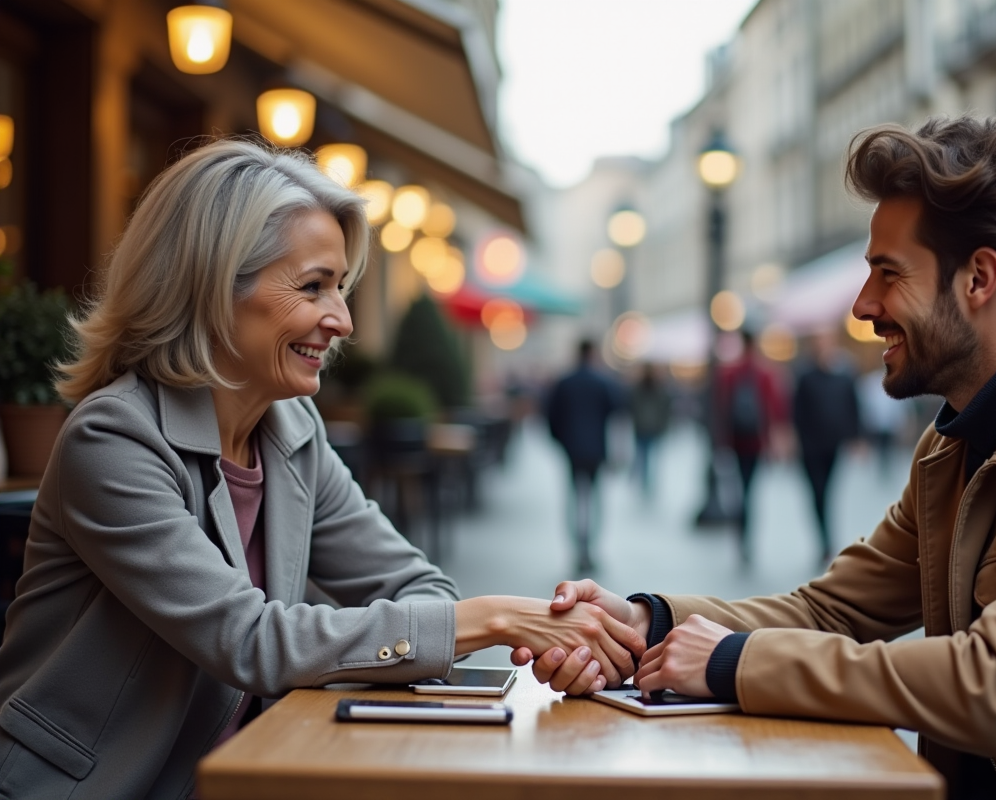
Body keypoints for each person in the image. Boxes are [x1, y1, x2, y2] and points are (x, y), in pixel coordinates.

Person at [519, 116, 996, 799]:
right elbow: (832, 609)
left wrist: (732, 661)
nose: (862, 305)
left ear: (980, 278)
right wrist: (647, 623)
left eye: (887, 273)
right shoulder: (954, 440)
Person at [0, 140, 642, 800]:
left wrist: (514, 632)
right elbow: (248, 640)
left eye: (340, 287)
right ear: (211, 288)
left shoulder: (290, 429)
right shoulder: (113, 438)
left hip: (250, 769)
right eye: (313, 287)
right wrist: (500, 617)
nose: (342, 320)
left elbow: (413, 584)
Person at [543, 340, 623, 573]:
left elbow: (550, 416)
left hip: (572, 449)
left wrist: (561, 442)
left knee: (574, 498)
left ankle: (578, 547)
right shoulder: (603, 381)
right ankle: (590, 546)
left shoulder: (565, 382)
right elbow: (617, 413)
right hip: (596, 449)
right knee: (595, 500)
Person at [714, 329, 785, 560]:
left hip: (735, 439)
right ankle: (746, 533)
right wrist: (774, 440)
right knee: (750, 489)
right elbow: (774, 408)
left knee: (739, 488)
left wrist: (720, 439)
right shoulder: (765, 372)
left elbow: (720, 407)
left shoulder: (729, 372)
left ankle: (741, 532)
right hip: (755, 441)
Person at [791, 330, 860, 562]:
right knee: (817, 492)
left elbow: (852, 407)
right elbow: (796, 411)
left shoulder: (843, 375)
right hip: (810, 446)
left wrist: (856, 438)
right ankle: (824, 541)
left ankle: (827, 540)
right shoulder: (805, 376)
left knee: (828, 492)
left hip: (833, 444)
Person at [628, 364, 672, 496]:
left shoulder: (642, 389)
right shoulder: (656, 389)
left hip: (645, 427)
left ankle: (643, 480)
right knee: (646, 456)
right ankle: (645, 481)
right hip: (648, 427)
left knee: (643, 455)